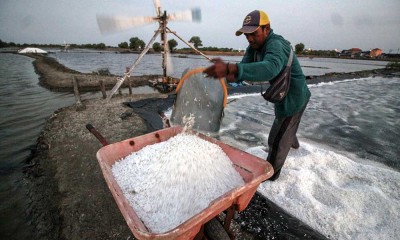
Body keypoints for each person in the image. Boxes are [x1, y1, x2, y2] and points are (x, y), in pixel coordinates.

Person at [204, 10, 311, 181]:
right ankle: (291, 141)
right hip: (281, 94)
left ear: (266, 29)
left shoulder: (276, 44)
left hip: (294, 97)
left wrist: (232, 68)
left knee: (276, 140)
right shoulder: (253, 48)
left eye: (254, 33)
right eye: (246, 35)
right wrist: (223, 78)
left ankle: (271, 177)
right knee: (286, 125)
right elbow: (243, 68)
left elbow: (270, 68)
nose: (250, 39)